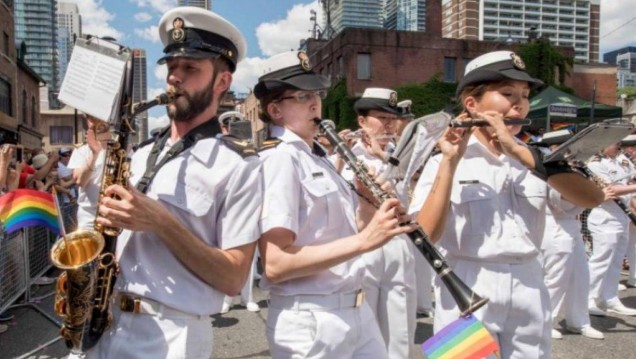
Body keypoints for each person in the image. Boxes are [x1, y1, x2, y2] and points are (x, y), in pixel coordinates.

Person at [82, 7, 262, 358]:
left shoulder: (239, 164)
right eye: (172, 68)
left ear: (222, 82)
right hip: (106, 322)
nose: (174, 78)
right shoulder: (143, 151)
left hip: (172, 334)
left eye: (190, 68)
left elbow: (233, 278)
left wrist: (161, 222)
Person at [409, 50, 604, 358]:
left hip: (529, 280)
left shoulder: (536, 159)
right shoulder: (443, 158)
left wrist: (519, 152)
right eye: (507, 93)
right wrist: (450, 161)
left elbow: (594, 197)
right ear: (472, 104)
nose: (519, 103)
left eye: (525, 96)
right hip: (465, 279)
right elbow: (427, 235)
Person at [255, 50, 415, 359]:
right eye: (302, 96)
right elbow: (276, 265)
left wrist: (369, 206)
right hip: (311, 319)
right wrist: (365, 240)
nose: (315, 103)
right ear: (275, 110)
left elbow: (347, 234)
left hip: (355, 307)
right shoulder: (279, 159)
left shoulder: (318, 156)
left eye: (316, 93)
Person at [344, 88, 420, 358]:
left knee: (401, 333)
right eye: (381, 118)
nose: (389, 125)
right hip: (364, 246)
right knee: (364, 330)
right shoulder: (343, 158)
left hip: (399, 245)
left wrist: (386, 158)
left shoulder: (402, 156)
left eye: (393, 118)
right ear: (362, 122)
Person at [538, 130, 604, 340]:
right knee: (556, 278)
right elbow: (561, 204)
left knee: (580, 277)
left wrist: (591, 190)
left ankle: (579, 321)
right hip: (556, 227)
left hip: (572, 227)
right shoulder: (548, 168)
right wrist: (590, 196)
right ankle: (545, 322)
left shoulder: (574, 168)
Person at [586, 142, 636, 317]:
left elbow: (630, 180)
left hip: (622, 215)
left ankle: (610, 298)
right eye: (615, 143)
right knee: (600, 261)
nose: (619, 146)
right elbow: (610, 190)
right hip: (605, 216)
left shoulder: (623, 160)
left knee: (616, 261)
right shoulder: (595, 163)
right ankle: (588, 299)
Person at [67, 116, 111, 231]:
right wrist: (94, 153)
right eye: (90, 118)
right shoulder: (80, 150)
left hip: (115, 214)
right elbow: (80, 181)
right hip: (89, 218)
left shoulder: (123, 148)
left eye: (98, 116)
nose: (94, 122)